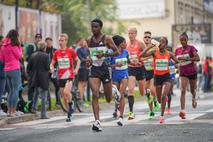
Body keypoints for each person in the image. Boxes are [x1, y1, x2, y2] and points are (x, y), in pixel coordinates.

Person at [86, 19, 119, 131]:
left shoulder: (107, 39)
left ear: (100, 27)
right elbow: (89, 54)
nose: (93, 29)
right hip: (94, 69)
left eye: (96, 27)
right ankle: (97, 121)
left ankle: (114, 91)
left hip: (105, 68)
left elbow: (116, 52)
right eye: (92, 27)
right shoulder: (89, 40)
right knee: (95, 94)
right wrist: (88, 59)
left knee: (108, 99)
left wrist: (104, 54)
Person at [141, 37, 178, 123]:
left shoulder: (169, 54)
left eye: (163, 42)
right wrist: (150, 46)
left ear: (166, 44)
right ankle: (163, 100)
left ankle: (161, 116)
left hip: (166, 77)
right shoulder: (154, 52)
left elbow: (177, 61)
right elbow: (142, 55)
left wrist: (174, 63)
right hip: (157, 77)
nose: (161, 43)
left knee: (164, 95)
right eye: (160, 42)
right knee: (159, 100)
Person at [50, 33, 80, 122]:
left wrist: (76, 69)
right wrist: (51, 68)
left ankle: (72, 104)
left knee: (67, 92)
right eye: (59, 40)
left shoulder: (70, 51)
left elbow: (78, 61)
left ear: (66, 41)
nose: (60, 42)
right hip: (60, 76)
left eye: (62, 40)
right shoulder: (57, 52)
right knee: (64, 96)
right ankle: (68, 114)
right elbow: (52, 63)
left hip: (69, 75)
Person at [175, 32, 200, 119]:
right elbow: (175, 61)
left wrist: (186, 58)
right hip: (183, 73)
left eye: (184, 40)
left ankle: (193, 97)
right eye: (181, 40)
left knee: (192, 91)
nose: (183, 41)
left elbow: (198, 58)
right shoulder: (177, 50)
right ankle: (182, 111)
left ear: (187, 40)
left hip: (192, 72)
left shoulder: (191, 48)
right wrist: (176, 64)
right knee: (182, 91)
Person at [1, 29, 23, 117]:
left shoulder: (3, 45)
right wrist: (20, 47)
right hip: (14, 69)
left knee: (10, 91)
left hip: (6, 70)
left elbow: (2, 58)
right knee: (15, 90)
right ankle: (13, 111)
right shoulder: (14, 45)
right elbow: (19, 56)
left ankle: (9, 111)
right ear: (15, 36)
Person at [126, 27, 146, 120]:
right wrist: (129, 62)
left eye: (132, 33)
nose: (130, 35)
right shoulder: (126, 45)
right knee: (130, 90)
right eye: (129, 33)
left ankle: (148, 93)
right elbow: (125, 57)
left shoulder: (140, 44)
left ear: (136, 34)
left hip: (140, 68)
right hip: (131, 69)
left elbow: (149, 54)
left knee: (142, 93)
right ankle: (131, 112)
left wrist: (141, 60)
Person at [27, 42, 50, 119]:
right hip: (43, 77)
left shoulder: (33, 55)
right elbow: (47, 67)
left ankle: (34, 108)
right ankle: (43, 114)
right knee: (44, 96)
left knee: (36, 93)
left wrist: (32, 75)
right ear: (44, 48)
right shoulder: (46, 56)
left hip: (35, 77)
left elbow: (28, 68)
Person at [111, 35, 129, 126]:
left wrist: (133, 62)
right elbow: (109, 65)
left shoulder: (126, 52)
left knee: (121, 94)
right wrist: (116, 65)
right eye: (124, 42)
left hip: (124, 75)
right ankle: (116, 108)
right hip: (115, 76)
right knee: (116, 95)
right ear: (120, 44)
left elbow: (128, 61)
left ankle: (121, 116)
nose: (126, 44)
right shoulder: (112, 53)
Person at [141, 31, 160, 119]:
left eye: (149, 37)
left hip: (153, 71)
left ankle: (156, 100)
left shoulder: (155, 47)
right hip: (145, 71)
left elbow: (160, 51)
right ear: (143, 39)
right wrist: (149, 57)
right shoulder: (142, 48)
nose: (147, 38)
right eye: (145, 37)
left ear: (151, 39)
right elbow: (140, 58)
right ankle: (151, 111)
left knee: (152, 89)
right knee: (147, 93)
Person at [26, 33, 42, 102]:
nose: (38, 39)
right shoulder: (31, 46)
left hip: (39, 70)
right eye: (37, 38)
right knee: (31, 86)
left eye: (39, 38)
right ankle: (30, 102)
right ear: (35, 39)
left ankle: (35, 103)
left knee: (38, 87)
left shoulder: (41, 46)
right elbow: (28, 58)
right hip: (32, 70)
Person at [45, 37, 60, 106]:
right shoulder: (44, 51)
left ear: (51, 42)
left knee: (57, 85)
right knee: (46, 85)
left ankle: (58, 101)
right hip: (46, 71)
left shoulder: (55, 51)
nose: (48, 43)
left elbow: (57, 61)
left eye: (49, 42)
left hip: (53, 70)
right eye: (47, 42)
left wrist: (54, 68)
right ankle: (48, 101)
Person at [76, 38, 89, 109]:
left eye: (84, 41)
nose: (83, 42)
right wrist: (87, 60)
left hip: (86, 69)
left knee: (84, 85)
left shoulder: (87, 49)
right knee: (81, 84)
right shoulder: (78, 50)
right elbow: (80, 59)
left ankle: (82, 99)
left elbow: (89, 56)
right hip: (81, 69)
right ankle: (80, 100)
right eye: (82, 41)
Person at [166, 46, 176, 115]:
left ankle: (168, 108)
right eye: (167, 51)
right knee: (164, 93)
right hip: (164, 76)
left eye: (170, 51)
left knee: (169, 92)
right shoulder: (164, 58)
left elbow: (177, 64)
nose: (169, 52)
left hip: (171, 77)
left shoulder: (173, 59)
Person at [0, 35, 7, 116]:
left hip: (4, 73)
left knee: (4, 91)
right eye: (2, 41)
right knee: (1, 92)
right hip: (1, 73)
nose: (3, 43)